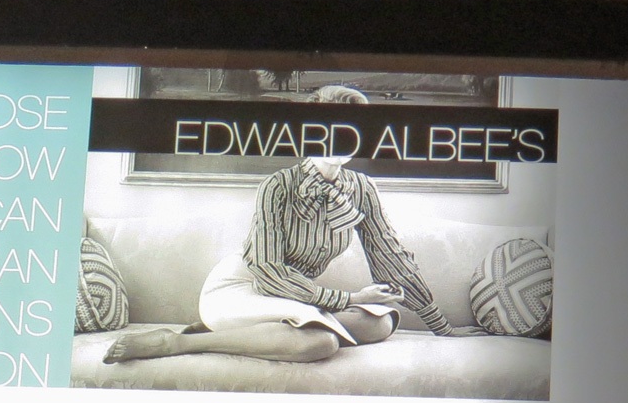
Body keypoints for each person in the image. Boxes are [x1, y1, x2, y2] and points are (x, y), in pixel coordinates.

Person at [104, 86, 479, 365]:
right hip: (244, 287)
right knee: (319, 344)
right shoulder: (278, 186)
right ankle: (178, 342)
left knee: (382, 323)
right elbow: (267, 272)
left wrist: (440, 325)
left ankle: (264, 333)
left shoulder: (362, 188)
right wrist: (351, 299)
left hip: (295, 295)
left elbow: (391, 258)